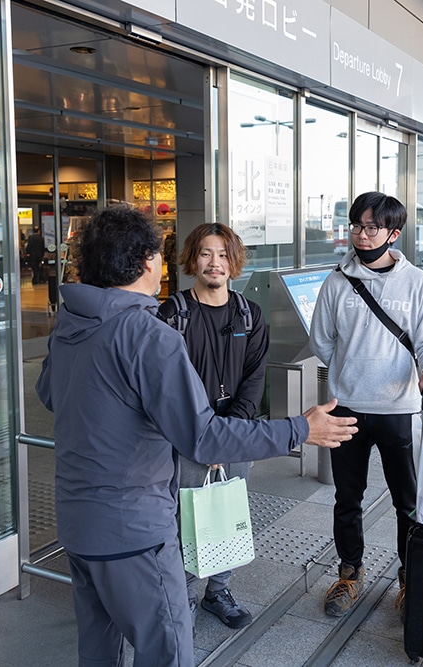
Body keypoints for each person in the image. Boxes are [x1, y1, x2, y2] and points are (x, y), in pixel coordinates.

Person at [36, 205, 357, 667]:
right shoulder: (149, 333)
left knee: (100, 649)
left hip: (77, 523)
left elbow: (51, 394)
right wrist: (301, 428)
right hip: (135, 531)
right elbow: (203, 438)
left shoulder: (71, 323)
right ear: (148, 261)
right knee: (166, 650)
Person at [309, 192, 423, 619]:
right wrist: (350, 370)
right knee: (347, 497)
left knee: (407, 502)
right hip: (345, 407)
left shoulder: (417, 283)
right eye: (356, 226)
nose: (362, 235)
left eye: (372, 228)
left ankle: (409, 579)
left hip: (400, 410)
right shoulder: (336, 282)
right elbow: (321, 339)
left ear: (393, 233)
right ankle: (350, 573)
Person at [157, 223, 265, 630]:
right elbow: (165, 383)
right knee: (183, 514)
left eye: (222, 254)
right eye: (205, 253)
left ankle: (217, 591)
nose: (214, 262)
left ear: (233, 261)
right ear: (192, 260)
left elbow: (254, 379)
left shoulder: (248, 314)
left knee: (228, 510)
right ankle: (181, 595)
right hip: (186, 435)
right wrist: (202, 436)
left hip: (234, 435)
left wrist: (230, 435)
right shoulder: (173, 313)